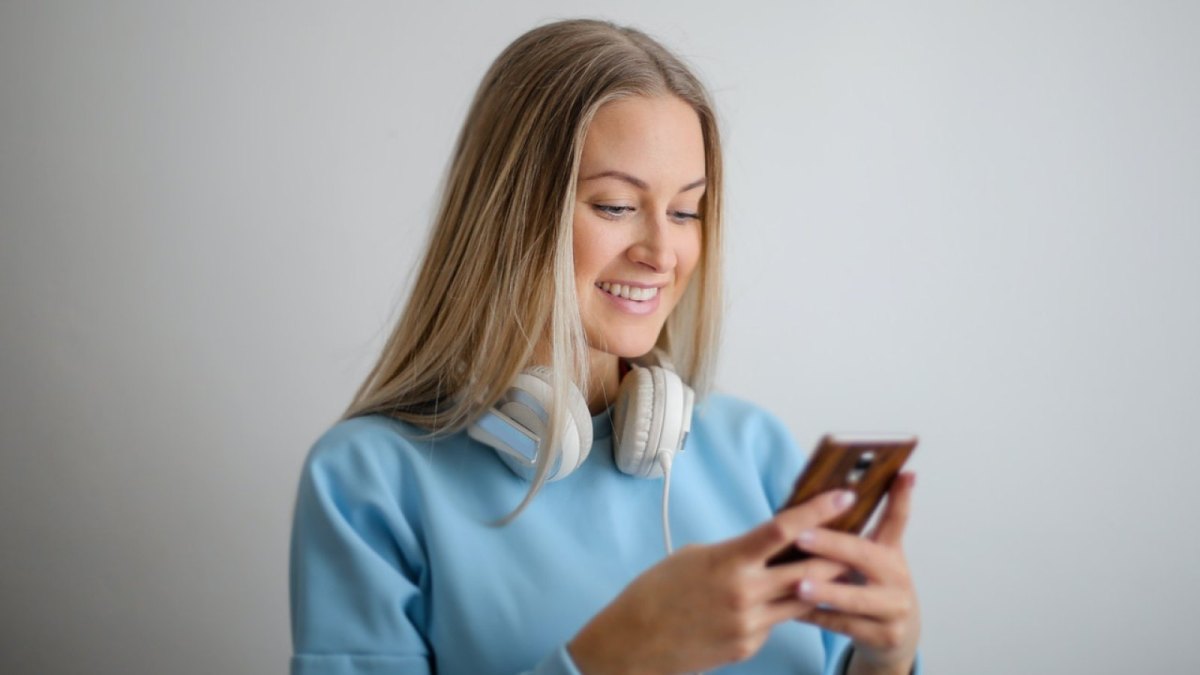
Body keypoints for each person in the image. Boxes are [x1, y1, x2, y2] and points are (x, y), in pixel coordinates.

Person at [289, 18, 921, 675]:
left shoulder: (754, 449)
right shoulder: (368, 481)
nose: (660, 253)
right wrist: (614, 656)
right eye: (617, 206)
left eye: (684, 212)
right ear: (511, 215)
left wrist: (886, 657)